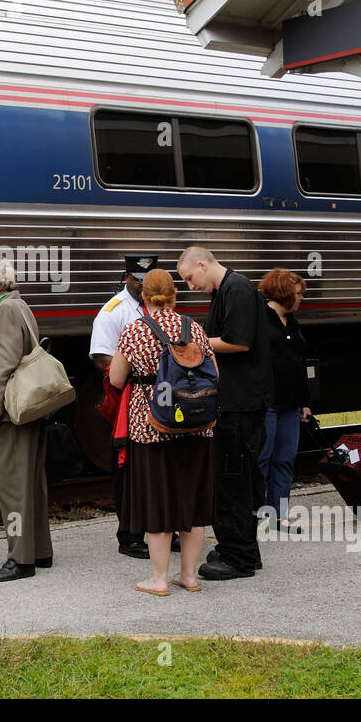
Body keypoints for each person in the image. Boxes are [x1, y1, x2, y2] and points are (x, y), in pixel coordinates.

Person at [109, 268, 217, 595]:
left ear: (144, 296)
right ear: (175, 295)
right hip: (196, 426)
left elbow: (115, 378)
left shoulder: (135, 330)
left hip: (151, 425)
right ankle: (189, 575)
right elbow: (215, 374)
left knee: (158, 501)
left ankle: (158, 579)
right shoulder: (193, 328)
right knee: (193, 502)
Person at [176, 246, 272, 580]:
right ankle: (241, 547)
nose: (190, 286)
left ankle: (239, 558)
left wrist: (192, 344)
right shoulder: (225, 291)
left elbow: (239, 341)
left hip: (240, 404)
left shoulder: (237, 289)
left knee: (232, 481)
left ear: (202, 264)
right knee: (234, 478)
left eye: (190, 278)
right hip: (233, 402)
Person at [0, 256, 53, 581]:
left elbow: (5, 361)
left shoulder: (4, 310)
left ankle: (20, 559)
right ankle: (40, 550)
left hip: (12, 412)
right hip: (30, 408)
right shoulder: (21, 305)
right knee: (33, 482)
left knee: (12, 486)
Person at [89, 254, 157, 560]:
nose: (142, 287)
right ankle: (129, 535)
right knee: (127, 467)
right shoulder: (113, 311)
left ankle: (161, 529)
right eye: (137, 281)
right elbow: (101, 357)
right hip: (128, 396)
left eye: (146, 282)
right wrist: (136, 367)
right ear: (126, 277)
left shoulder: (157, 305)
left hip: (158, 396)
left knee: (158, 464)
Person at [258, 269, 311, 531]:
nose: (302, 299)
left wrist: (305, 402)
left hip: (290, 403)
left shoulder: (293, 322)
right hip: (266, 401)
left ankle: (279, 515)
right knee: (262, 458)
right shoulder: (260, 318)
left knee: (285, 458)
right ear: (284, 293)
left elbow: (300, 363)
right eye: (299, 294)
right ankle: (255, 513)